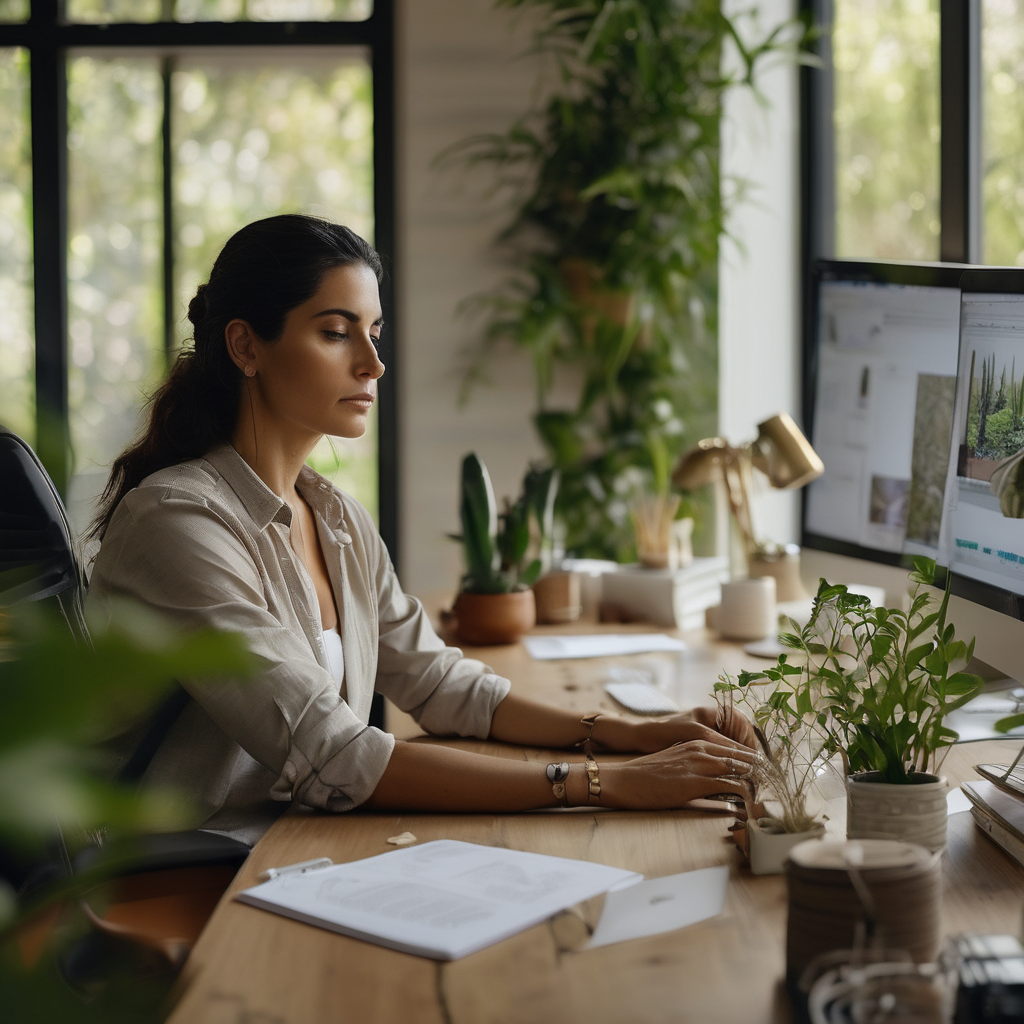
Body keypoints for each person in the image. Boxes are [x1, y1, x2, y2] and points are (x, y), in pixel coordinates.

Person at [87, 214, 755, 845]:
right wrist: (606, 784)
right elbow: (335, 753)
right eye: (335, 331)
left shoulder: (336, 517)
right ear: (245, 346)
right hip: (187, 868)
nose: (373, 364)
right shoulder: (178, 523)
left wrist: (625, 735)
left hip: (294, 840)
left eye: (374, 331)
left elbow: (439, 684)